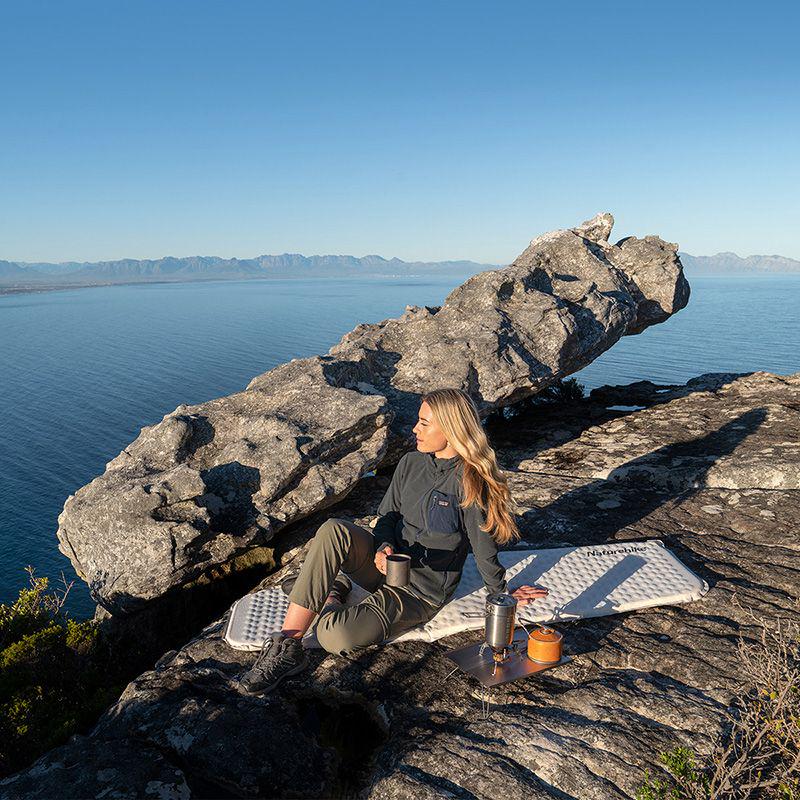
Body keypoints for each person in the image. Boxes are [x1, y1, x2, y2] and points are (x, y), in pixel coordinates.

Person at [239, 387, 549, 693]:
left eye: (424, 423)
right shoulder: (411, 463)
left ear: (452, 428)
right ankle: (288, 647)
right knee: (334, 528)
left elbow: (484, 550)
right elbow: (387, 516)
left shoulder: (470, 482)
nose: (415, 428)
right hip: (386, 566)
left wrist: (501, 594)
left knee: (334, 636)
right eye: (418, 420)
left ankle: (331, 594)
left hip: (419, 591)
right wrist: (383, 545)